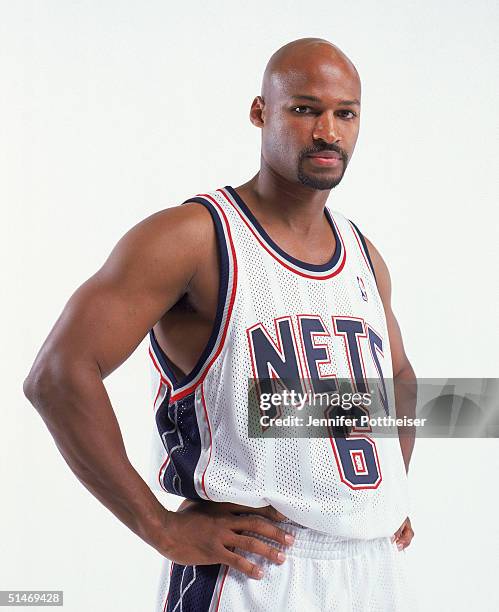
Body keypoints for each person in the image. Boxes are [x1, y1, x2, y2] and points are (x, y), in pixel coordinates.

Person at [24, 37, 416, 611]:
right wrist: (161, 527)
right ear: (261, 112)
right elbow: (58, 375)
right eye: (304, 109)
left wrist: (389, 490)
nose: (328, 131)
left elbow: (399, 376)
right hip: (254, 567)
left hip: (371, 567)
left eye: (345, 113)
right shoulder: (193, 237)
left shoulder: (363, 255)